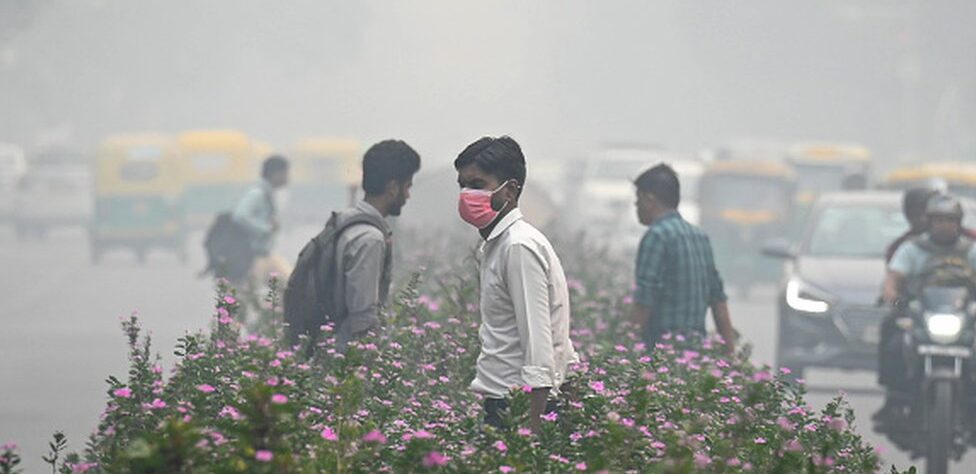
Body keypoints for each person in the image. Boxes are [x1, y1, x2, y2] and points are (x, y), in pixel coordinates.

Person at [456, 136, 578, 432]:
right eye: (462, 185)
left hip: (517, 410)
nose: (466, 194)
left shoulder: (518, 248)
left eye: (477, 184)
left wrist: (530, 439)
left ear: (510, 190)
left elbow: (538, 348)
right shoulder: (501, 245)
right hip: (505, 403)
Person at [876, 194, 976, 423]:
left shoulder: (970, 250)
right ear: (929, 222)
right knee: (893, 337)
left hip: (964, 317)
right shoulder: (911, 249)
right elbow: (893, 280)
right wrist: (893, 298)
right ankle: (895, 397)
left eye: (950, 220)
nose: (944, 225)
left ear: (958, 223)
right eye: (939, 220)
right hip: (921, 315)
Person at [629, 164, 735, 355]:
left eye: (638, 200)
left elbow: (644, 300)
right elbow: (719, 302)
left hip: (661, 354)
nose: (636, 207)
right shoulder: (699, 237)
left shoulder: (656, 236)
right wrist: (730, 355)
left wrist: (625, 348)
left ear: (649, 199)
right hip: (694, 356)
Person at [331, 140, 420, 347]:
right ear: (392, 188)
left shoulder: (344, 221)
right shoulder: (370, 240)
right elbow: (363, 319)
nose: (407, 195)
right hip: (346, 362)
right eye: (406, 187)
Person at [231, 155, 291, 285]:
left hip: (266, 255)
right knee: (251, 294)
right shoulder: (257, 193)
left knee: (290, 285)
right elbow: (240, 215)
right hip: (253, 257)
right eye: (285, 173)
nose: (288, 177)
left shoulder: (268, 192)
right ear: (275, 174)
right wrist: (266, 228)